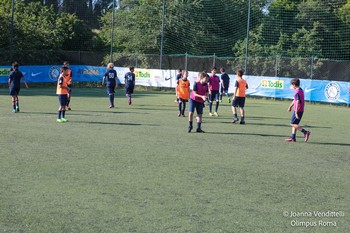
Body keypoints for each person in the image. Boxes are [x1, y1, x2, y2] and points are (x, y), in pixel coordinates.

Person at [285, 78, 311, 142]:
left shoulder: (297, 92)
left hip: (298, 110)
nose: (291, 86)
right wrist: (290, 107)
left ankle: (305, 132)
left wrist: (296, 112)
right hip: (301, 110)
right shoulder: (301, 90)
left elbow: (298, 102)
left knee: (292, 124)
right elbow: (295, 100)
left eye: (292, 85)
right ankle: (293, 137)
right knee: (295, 124)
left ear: (294, 85)